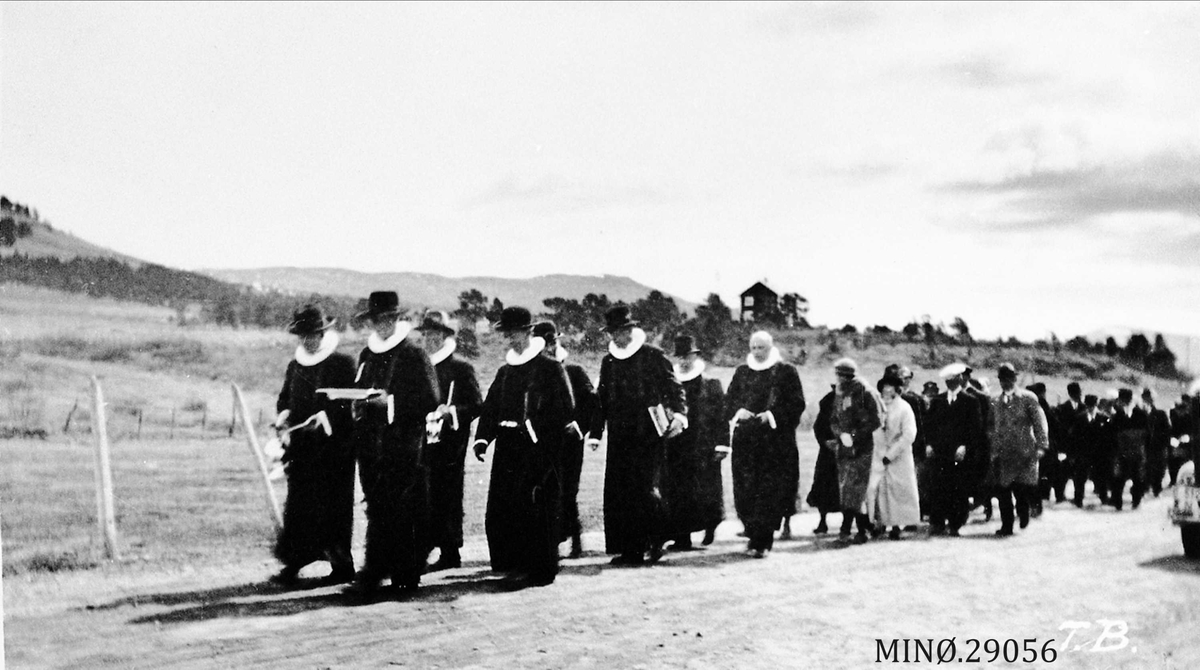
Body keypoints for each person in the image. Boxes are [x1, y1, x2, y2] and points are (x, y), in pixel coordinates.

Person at [473, 307, 577, 585]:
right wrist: (483, 439)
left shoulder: (550, 368)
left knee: (536, 505)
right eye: (506, 334)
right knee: (508, 506)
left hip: (538, 449)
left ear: (529, 332)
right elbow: (491, 407)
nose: (510, 338)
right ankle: (516, 565)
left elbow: (566, 409)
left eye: (515, 333)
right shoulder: (505, 371)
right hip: (508, 448)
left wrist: (536, 430)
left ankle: (539, 570)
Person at [350, 291, 440, 596]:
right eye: (377, 319)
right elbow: (359, 391)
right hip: (373, 447)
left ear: (397, 318)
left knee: (405, 511)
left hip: (405, 445)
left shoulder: (413, 354)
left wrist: (391, 402)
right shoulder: (368, 355)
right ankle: (376, 571)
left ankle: (404, 574)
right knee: (377, 509)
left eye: (388, 318)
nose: (382, 324)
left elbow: (431, 398)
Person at [586, 306, 687, 566]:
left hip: (649, 434)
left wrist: (680, 415)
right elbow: (602, 400)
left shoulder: (653, 355)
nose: (614, 337)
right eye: (611, 332)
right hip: (620, 435)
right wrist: (596, 433)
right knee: (621, 492)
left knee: (647, 491)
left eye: (618, 331)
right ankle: (630, 550)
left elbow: (674, 387)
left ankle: (656, 543)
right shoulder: (608, 361)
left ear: (630, 330)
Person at [270, 305, 357, 587]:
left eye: (314, 334)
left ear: (323, 333)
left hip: (335, 450)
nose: (309, 340)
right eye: (304, 335)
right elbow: (285, 400)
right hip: (302, 450)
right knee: (300, 506)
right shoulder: (295, 366)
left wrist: (327, 420)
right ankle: (295, 562)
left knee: (334, 508)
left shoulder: (342, 363)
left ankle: (341, 565)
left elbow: (351, 402)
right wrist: (283, 416)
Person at [725, 331, 806, 556]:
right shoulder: (742, 372)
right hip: (746, 441)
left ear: (770, 348)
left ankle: (763, 542)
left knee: (768, 492)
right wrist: (738, 412)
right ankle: (752, 534)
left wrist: (771, 415)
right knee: (745, 489)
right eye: (753, 347)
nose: (757, 352)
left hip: (774, 443)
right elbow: (729, 400)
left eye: (761, 347)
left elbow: (797, 404)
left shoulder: (785, 371)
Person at [416, 310, 482, 572]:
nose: (430, 339)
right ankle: (423, 548)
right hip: (421, 441)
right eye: (426, 334)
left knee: (448, 495)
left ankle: (450, 551)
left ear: (445, 336)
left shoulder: (460, 368)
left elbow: (477, 405)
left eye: (435, 334)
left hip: (450, 443)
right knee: (423, 495)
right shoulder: (419, 368)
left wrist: (452, 412)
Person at [532, 320, 598, 558]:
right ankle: (553, 543)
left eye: (552, 342)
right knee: (548, 490)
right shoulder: (535, 371)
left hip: (570, 442)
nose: (550, 347)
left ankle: (576, 541)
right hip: (544, 442)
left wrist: (580, 427)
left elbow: (592, 402)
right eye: (545, 343)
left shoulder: (574, 370)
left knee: (568, 491)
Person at [663, 334, 727, 550]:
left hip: (704, 447)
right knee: (680, 491)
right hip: (678, 446)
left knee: (706, 490)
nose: (683, 360)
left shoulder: (711, 383)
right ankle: (682, 537)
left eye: (687, 356)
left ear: (695, 355)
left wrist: (722, 444)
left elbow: (721, 416)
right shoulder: (671, 382)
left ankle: (710, 528)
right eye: (679, 356)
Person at [988, 364, 1049, 537]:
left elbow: (1039, 422)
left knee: (1021, 488)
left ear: (1015, 379)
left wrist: (1042, 446)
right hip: (1004, 453)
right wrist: (993, 445)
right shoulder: (995, 401)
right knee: (1003, 490)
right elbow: (991, 425)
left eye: (1009, 379)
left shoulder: (1028, 398)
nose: (1005, 383)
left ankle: (1023, 512)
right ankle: (1006, 525)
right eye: (1002, 379)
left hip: (1024, 452)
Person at [924, 363, 984, 537]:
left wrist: (965, 445)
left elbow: (975, 428)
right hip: (940, 452)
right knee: (938, 487)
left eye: (953, 380)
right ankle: (937, 522)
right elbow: (930, 426)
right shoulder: (938, 401)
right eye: (947, 381)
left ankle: (955, 523)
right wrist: (929, 444)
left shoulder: (970, 401)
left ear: (960, 379)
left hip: (959, 453)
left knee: (958, 488)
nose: (950, 383)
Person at [826, 358, 880, 544]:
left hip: (861, 448)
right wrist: (841, 434)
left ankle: (853, 530)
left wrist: (855, 436)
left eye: (840, 374)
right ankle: (857, 529)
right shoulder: (840, 392)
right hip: (844, 447)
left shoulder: (864, 392)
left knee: (856, 489)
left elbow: (876, 419)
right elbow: (834, 418)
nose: (839, 378)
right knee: (847, 489)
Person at [866, 374, 920, 540]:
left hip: (899, 456)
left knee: (898, 491)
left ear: (898, 390)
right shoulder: (878, 407)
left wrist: (892, 453)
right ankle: (879, 523)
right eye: (884, 387)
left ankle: (897, 525)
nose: (886, 390)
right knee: (877, 489)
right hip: (879, 454)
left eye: (891, 387)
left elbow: (909, 434)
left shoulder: (904, 408)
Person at [806, 384, 841, 534]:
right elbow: (818, 426)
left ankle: (847, 523)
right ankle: (822, 521)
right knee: (823, 486)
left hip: (847, 451)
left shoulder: (854, 400)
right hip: (827, 452)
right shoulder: (827, 402)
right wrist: (825, 441)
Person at [1109, 388, 1149, 511]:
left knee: (1137, 477)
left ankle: (1136, 500)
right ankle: (1118, 502)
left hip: (1137, 451)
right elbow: (1112, 435)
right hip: (1122, 451)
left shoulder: (1141, 414)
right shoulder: (1117, 416)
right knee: (1119, 478)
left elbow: (1147, 434)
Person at [1071, 394, 1111, 507]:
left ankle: (1104, 497)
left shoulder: (1104, 417)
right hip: (1084, 453)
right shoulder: (1079, 418)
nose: (1090, 408)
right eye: (1088, 405)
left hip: (1099, 453)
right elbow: (1074, 437)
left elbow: (1108, 437)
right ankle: (1078, 499)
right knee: (1080, 477)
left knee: (1100, 476)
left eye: (1092, 405)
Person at [1142, 388, 1172, 497]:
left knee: (1159, 468)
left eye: (1149, 398)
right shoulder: (1141, 413)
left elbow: (1167, 430)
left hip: (1158, 446)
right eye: (1145, 398)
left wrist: (1164, 444)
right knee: (1147, 468)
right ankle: (1146, 487)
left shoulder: (1161, 414)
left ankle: (1156, 488)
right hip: (1147, 446)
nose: (1148, 400)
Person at [1169, 395, 1194, 486]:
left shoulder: (1190, 418)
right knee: (1173, 463)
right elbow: (1171, 430)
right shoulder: (1174, 417)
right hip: (1176, 443)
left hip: (1187, 445)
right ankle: (1173, 481)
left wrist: (1188, 437)